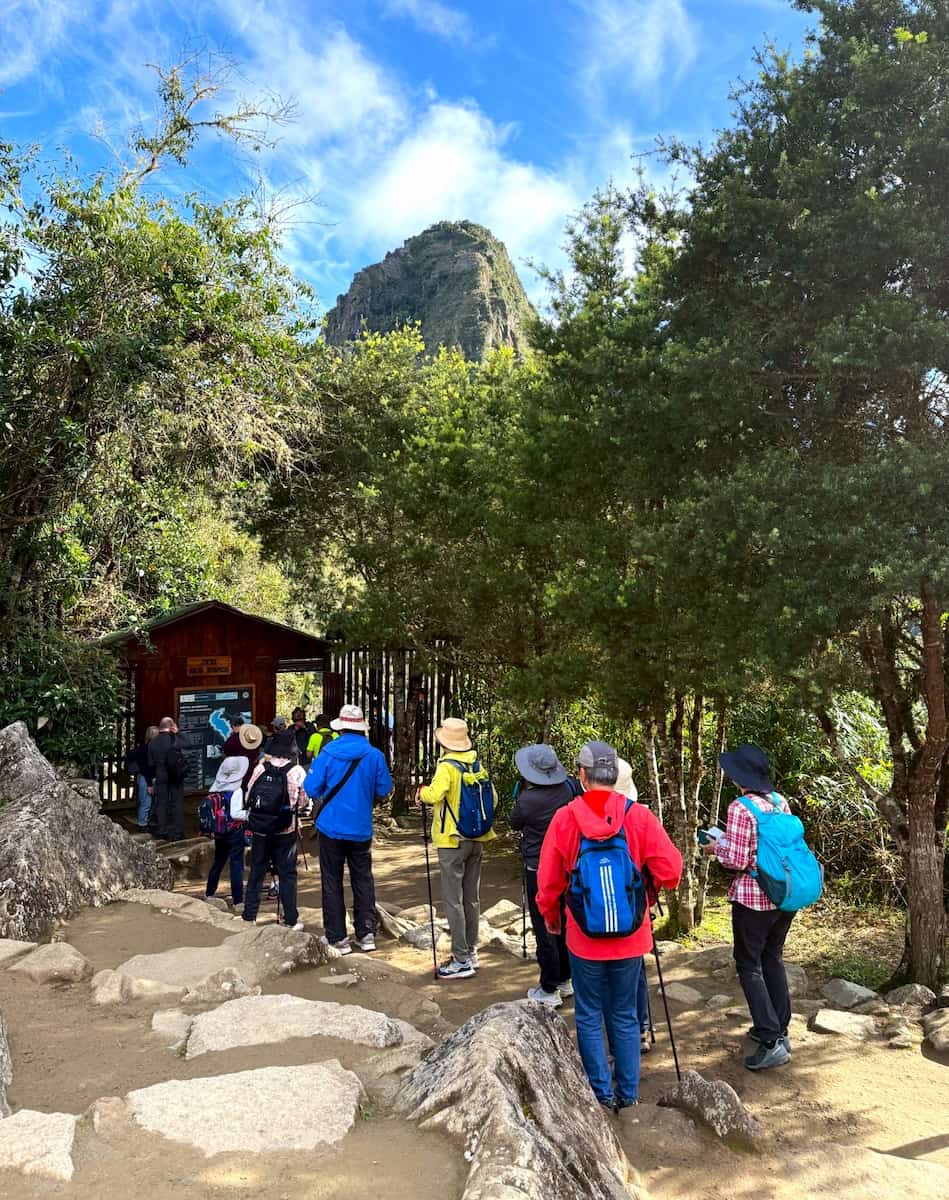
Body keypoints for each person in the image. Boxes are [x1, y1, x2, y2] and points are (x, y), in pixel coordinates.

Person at [537, 740, 682, 1111]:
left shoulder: (565, 818)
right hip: (631, 936)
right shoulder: (638, 817)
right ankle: (628, 1095)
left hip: (583, 937)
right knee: (624, 1014)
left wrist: (552, 919)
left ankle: (601, 1095)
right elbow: (672, 870)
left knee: (588, 1013)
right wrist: (646, 892)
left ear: (582, 776)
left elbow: (548, 882)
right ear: (615, 776)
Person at [701, 743, 795, 1071]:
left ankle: (770, 1040)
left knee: (748, 965)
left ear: (738, 777)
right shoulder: (779, 801)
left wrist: (715, 848)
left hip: (754, 900)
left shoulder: (741, 808)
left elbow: (738, 860)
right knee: (772, 958)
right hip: (784, 896)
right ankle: (780, 1029)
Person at [304, 704, 392, 955]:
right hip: (360, 828)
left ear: (340, 728)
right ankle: (366, 933)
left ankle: (337, 937)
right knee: (363, 879)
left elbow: (311, 787)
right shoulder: (375, 755)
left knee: (331, 880)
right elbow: (384, 789)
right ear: (362, 728)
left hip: (330, 827)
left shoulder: (328, 753)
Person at [417, 717, 495, 980]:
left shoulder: (447, 767)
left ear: (444, 742)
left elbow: (434, 795)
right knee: (472, 898)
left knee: (453, 900)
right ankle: (471, 952)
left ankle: (461, 959)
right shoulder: (477, 764)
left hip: (452, 839)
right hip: (477, 838)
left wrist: (422, 792)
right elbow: (493, 799)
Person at [510, 743, 575, 1007]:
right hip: (565, 865)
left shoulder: (528, 800)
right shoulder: (569, 788)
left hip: (538, 867)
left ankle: (549, 987)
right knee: (564, 921)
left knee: (544, 925)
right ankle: (565, 978)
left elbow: (514, 822)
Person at [241, 726, 308, 930]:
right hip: (285, 830)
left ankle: (249, 916)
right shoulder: (297, 771)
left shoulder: (261, 768)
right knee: (287, 874)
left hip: (261, 829)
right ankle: (290, 920)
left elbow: (248, 796)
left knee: (257, 871)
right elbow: (303, 801)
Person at [615, 757, 652, 1055]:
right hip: (633, 910)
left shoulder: (574, 815)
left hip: (589, 913)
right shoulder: (641, 817)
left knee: (599, 985)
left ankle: (615, 1046)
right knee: (635, 970)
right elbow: (669, 868)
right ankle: (642, 1029)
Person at [204, 756, 249, 910]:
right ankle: (238, 900)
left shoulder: (215, 787)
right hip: (234, 831)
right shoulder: (236, 790)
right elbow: (235, 813)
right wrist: (249, 814)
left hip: (218, 830)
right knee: (236, 864)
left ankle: (209, 893)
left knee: (218, 861)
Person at [148, 716, 185, 841]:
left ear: (160, 727)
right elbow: (188, 743)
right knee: (177, 803)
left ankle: (161, 831)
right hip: (175, 775)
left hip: (161, 775)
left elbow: (150, 763)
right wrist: (178, 732)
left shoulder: (152, 742)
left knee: (161, 803)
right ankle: (178, 832)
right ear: (171, 726)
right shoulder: (174, 739)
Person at [128, 725, 159, 830]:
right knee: (146, 803)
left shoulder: (153, 749)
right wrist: (150, 784)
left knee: (152, 803)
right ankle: (142, 824)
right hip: (145, 779)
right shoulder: (144, 750)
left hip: (152, 778)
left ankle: (146, 822)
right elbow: (145, 769)